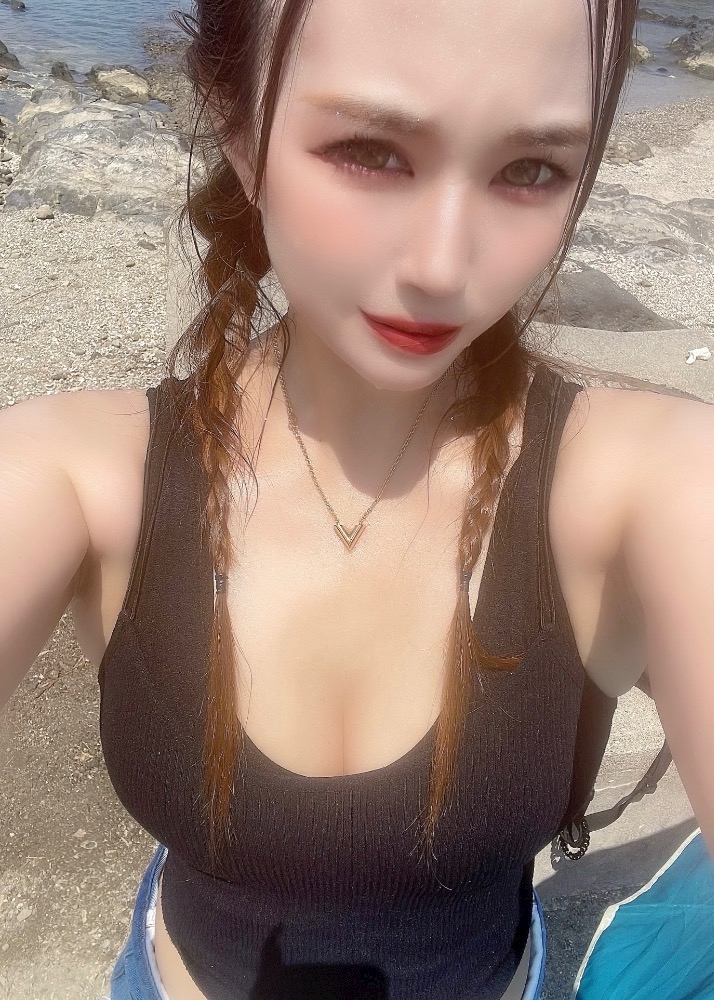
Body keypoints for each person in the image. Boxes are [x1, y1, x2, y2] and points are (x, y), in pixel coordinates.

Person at [1, 0, 712, 997]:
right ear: (239, 129)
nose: (442, 267)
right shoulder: (72, 474)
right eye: (371, 152)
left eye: (531, 170)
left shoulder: (655, 485)